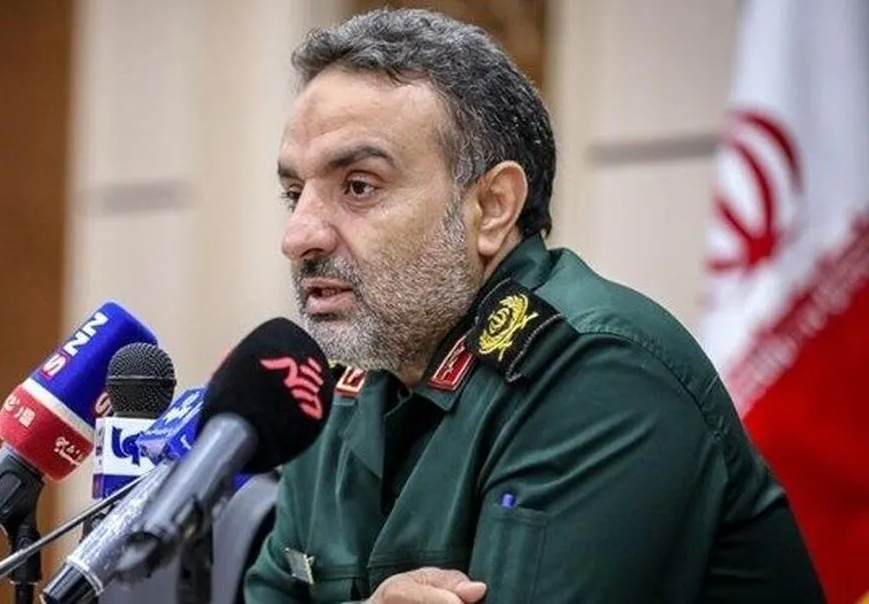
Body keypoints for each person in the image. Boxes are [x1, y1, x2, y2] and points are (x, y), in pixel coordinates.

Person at [243, 8, 823, 604]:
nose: (298, 236)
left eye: (359, 186)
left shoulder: (599, 373)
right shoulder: (332, 389)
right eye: (294, 193)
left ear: (492, 207)